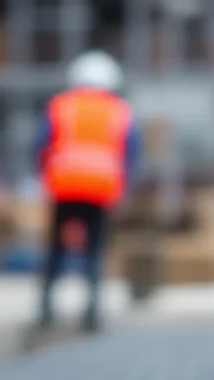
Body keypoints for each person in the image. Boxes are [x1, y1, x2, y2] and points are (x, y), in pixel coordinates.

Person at [34, 49, 137, 333]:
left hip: (64, 185)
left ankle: (45, 309)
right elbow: (130, 153)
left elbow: (41, 145)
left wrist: (45, 176)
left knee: (56, 249)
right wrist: (124, 187)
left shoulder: (61, 106)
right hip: (100, 189)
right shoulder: (119, 111)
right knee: (94, 250)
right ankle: (91, 313)